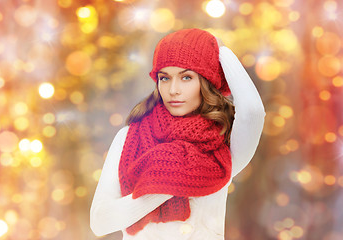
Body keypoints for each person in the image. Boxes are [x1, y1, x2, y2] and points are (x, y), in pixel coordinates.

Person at [90, 28, 266, 240]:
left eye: (186, 77)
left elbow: (253, 111)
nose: (173, 90)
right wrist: (167, 181)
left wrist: (220, 52)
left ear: (206, 82)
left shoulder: (223, 143)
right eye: (165, 78)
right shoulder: (128, 137)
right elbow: (99, 222)